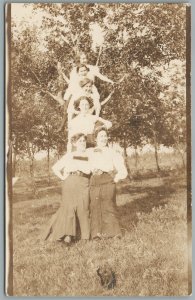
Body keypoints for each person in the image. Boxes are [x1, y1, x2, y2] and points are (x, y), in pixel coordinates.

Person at [41, 133, 91, 245]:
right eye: (80, 141)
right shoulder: (70, 155)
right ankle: (68, 235)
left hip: (84, 182)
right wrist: (63, 177)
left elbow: (91, 168)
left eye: (84, 141)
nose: (82, 143)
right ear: (74, 143)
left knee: (83, 208)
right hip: (70, 182)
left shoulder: (89, 154)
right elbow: (55, 168)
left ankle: (85, 236)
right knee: (69, 208)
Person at [87, 128, 128, 239]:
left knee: (108, 205)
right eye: (101, 136)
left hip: (107, 180)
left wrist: (114, 180)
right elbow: (75, 158)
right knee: (95, 206)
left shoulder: (112, 152)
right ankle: (96, 234)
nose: (104, 138)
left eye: (105, 136)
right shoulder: (89, 152)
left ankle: (114, 233)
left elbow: (123, 170)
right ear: (95, 139)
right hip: (94, 180)